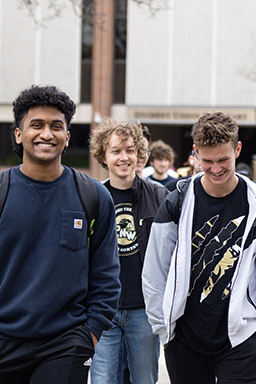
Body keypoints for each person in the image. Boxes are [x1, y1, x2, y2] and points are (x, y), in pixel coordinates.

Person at [0, 85, 120, 383]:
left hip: (66, 343)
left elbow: (106, 273)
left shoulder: (93, 197)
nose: (46, 134)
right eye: (36, 125)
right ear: (18, 134)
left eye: (56, 126)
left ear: (67, 137)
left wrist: (90, 333)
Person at [142, 112, 256, 384]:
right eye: (207, 161)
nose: (216, 169)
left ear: (238, 149)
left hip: (243, 338)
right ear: (195, 153)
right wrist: (164, 330)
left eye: (224, 160)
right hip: (184, 337)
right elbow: (155, 270)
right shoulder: (177, 202)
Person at [89, 119, 165, 384]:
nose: (124, 157)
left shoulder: (159, 196)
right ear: (103, 155)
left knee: (144, 380)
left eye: (130, 150)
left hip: (143, 311)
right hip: (103, 311)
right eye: (116, 151)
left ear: (139, 154)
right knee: (102, 380)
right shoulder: (92, 196)